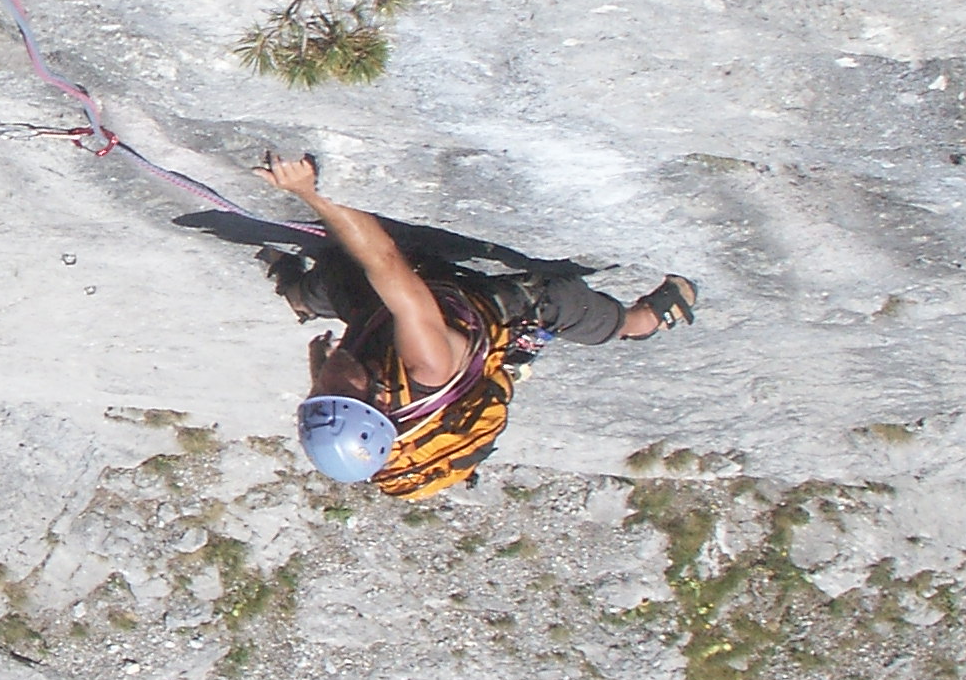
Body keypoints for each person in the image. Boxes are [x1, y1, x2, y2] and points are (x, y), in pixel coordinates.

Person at [254, 151, 696, 499]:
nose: (326, 377)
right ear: (380, 399)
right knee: (560, 299)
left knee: (338, 276)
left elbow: (339, 390)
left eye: (318, 391)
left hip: (404, 317)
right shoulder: (427, 365)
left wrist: (325, 370)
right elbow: (384, 260)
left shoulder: (350, 398)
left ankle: (299, 295)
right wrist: (311, 193)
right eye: (333, 385)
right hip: (475, 311)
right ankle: (639, 323)